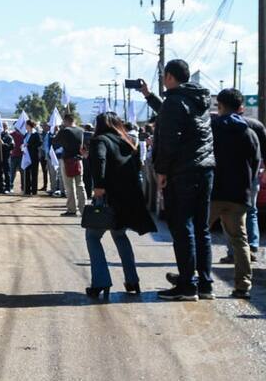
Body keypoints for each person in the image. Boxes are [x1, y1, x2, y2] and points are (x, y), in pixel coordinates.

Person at [138, 59, 216, 301]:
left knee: (182, 228)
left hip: (183, 172)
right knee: (201, 228)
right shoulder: (198, 99)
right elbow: (171, 114)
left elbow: (169, 140)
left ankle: (187, 286)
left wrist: (161, 171)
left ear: (170, 76)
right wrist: (149, 96)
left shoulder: (175, 101)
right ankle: (205, 284)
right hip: (205, 170)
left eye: (164, 76)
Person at [86, 111, 154, 299]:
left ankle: (100, 282)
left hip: (107, 197)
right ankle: (132, 281)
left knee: (92, 237)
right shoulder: (128, 141)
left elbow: (101, 160)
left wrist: (99, 186)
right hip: (127, 200)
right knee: (120, 235)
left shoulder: (99, 140)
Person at [205, 90, 261, 298]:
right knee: (240, 240)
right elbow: (255, 164)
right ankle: (243, 285)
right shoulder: (249, 133)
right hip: (239, 195)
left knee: (199, 234)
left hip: (212, 192)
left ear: (219, 106)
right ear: (240, 108)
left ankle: (196, 279)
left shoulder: (211, 129)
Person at [229, 104, 266, 263]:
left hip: (230, 176)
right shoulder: (256, 125)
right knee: (251, 211)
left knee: (230, 214)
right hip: (252, 174)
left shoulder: (223, 125)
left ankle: (233, 251)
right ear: (241, 108)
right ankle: (252, 245)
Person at [54, 114, 86, 216]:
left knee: (69, 186)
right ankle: (84, 209)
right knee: (80, 185)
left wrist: (59, 130)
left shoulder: (65, 131)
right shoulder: (81, 131)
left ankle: (72, 209)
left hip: (67, 160)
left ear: (66, 121)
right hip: (78, 160)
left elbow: (55, 141)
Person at [0, 123, 14, 193]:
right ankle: (0, 188)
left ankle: (8, 188)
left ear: (6, 127)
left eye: (4, 126)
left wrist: (3, 144)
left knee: (6, 173)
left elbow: (12, 147)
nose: (3, 128)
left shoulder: (9, 137)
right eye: (2, 126)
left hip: (5, 158)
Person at [24, 122, 42, 195]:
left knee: (34, 173)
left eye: (26, 125)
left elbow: (40, 143)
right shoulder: (26, 134)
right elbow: (24, 142)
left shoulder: (36, 134)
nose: (25, 126)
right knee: (27, 172)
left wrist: (29, 145)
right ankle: (27, 190)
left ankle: (34, 190)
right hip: (26, 156)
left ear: (30, 126)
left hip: (34, 156)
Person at [82, 123, 95, 200]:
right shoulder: (94, 135)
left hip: (84, 157)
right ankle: (90, 193)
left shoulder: (82, 135)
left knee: (85, 176)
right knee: (91, 177)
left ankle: (86, 193)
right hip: (92, 157)